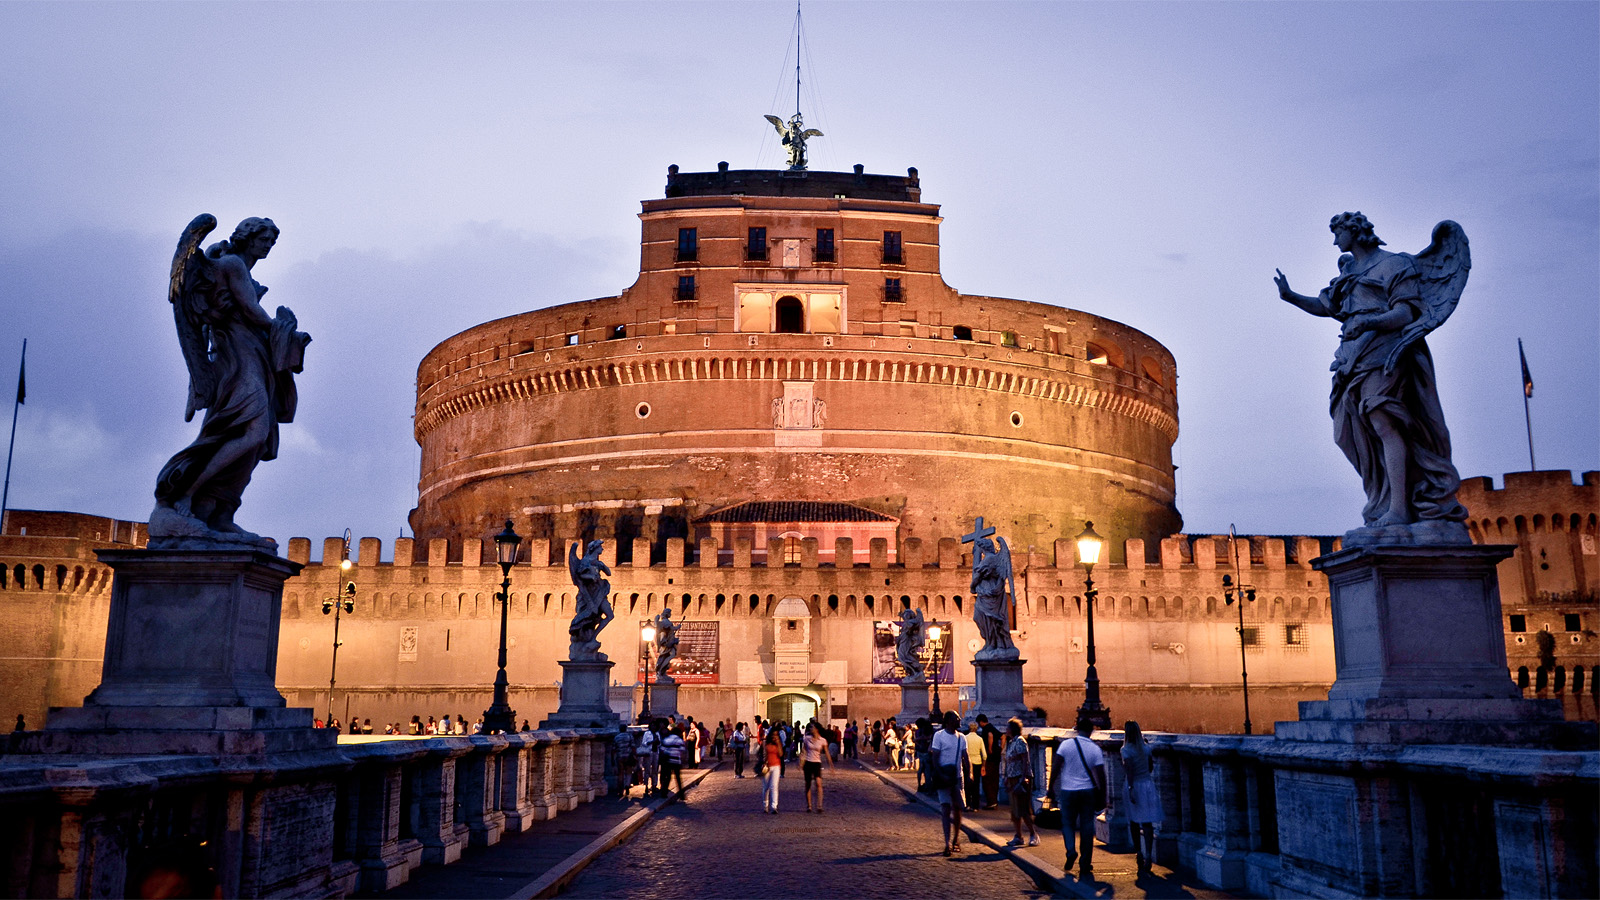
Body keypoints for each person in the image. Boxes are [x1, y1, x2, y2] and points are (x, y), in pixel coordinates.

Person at [1273, 212, 1471, 534]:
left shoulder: (1394, 265)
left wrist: (1371, 322)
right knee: (1347, 431)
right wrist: (1291, 296)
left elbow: (1405, 312)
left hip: (1388, 350)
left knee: (1384, 421)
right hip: (1353, 357)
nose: (1334, 240)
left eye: (1337, 233)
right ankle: (1383, 500)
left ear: (1353, 232)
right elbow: (1328, 307)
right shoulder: (1350, 272)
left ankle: (1400, 509)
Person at [1055, 716, 1107, 881]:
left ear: (1076, 729)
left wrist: (1050, 788)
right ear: (1091, 731)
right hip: (1088, 792)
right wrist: (1104, 796)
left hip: (1068, 790)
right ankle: (1085, 863)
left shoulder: (1066, 745)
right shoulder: (1095, 749)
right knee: (1086, 827)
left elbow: (1056, 766)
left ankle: (1071, 850)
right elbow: (1101, 776)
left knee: (1068, 824)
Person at [1122, 720, 1163, 874]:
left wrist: (1131, 788)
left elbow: (1129, 771)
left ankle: (1138, 851)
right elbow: (1151, 767)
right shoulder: (1146, 749)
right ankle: (1149, 855)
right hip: (1147, 785)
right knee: (1147, 822)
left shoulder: (1126, 750)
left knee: (1133, 821)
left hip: (1133, 785)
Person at [929, 711, 967, 857]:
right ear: (948, 721)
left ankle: (956, 840)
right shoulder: (938, 736)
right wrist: (940, 775)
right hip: (942, 777)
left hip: (957, 777)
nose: (959, 721)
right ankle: (946, 843)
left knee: (958, 809)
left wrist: (969, 775)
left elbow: (965, 758)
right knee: (945, 808)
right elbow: (935, 758)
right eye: (956, 719)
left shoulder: (962, 737)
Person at [1002, 718, 1040, 847]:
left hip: (1020, 778)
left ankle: (1033, 834)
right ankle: (1018, 835)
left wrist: (1023, 778)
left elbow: (1025, 761)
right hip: (1013, 778)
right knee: (1015, 810)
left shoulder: (1020, 742)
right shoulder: (1011, 742)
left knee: (1023, 809)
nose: (1006, 730)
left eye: (1007, 727)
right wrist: (1007, 776)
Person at [977, 714, 1001, 809]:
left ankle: (991, 802)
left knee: (987, 779)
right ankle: (994, 801)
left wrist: (990, 748)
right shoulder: (992, 727)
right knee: (995, 779)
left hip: (989, 758)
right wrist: (1001, 748)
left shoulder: (986, 728)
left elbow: (990, 735)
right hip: (996, 758)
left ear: (981, 722)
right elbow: (1003, 737)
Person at [659, 724, 688, 801]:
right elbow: (682, 750)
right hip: (676, 761)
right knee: (678, 778)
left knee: (668, 777)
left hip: (668, 761)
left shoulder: (666, 739)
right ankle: (681, 795)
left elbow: (662, 749)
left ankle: (664, 793)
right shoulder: (679, 740)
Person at [962, 722, 987, 810]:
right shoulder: (980, 739)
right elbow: (984, 755)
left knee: (966, 784)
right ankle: (975, 806)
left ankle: (967, 804)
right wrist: (983, 766)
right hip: (977, 763)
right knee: (976, 785)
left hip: (967, 764)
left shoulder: (965, 738)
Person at [761, 728, 784, 813]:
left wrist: (778, 743)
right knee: (766, 787)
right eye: (773, 735)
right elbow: (762, 754)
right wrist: (763, 762)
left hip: (776, 766)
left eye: (776, 735)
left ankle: (774, 806)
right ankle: (765, 805)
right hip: (767, 766)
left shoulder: (778, 744)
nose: (775, 737)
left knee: (774, 786)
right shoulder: (765, 743)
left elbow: (781, 754)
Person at [639, 720, 662, 795]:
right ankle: (646, 785)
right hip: (649, 752)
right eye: (652, 725)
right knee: (647, 770)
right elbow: (643, 743)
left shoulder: (657, 734)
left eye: (655, 726)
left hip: (655, 752)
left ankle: (654, 785)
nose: (653, 727)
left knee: (655, 770)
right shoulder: (647, 733)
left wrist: (657, 742)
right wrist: (651, 742)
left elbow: (660, 744)